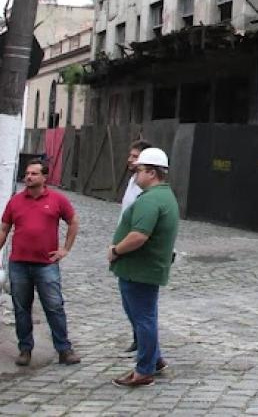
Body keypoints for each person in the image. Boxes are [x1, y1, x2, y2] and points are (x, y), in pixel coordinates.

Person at [0, 159, 81, 367]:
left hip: (46, 264)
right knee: (21, 308)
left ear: (44, 177)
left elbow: (73, 221)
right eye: (27, 173)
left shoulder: (57, 200)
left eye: (34, 174)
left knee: (54, 306)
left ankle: (64, 349)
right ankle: (25, 349)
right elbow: (3, 229)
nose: (29, 177)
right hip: (19, 263)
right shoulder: (15, 201)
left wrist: (65, 249)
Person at [109, 147, 179, 388]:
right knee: (143, 317)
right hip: (141, 269)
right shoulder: (162, 195)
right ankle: (154, 359)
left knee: (143, 319)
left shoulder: (151, 200)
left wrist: (116, 250)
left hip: (140, 270)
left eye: (139, 170)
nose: (135, 175)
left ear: (151, 172)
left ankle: (144, 370)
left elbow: (139, 236)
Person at [116, 139, 153, 355]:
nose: (129, 160)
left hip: (134, 248)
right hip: (124, 243)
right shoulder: (133, 181)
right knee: (129, 300)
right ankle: (140, 339)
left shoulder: (146, 190)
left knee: (140, 304)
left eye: (134, 156)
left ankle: (148, 352)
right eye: (130, 156)